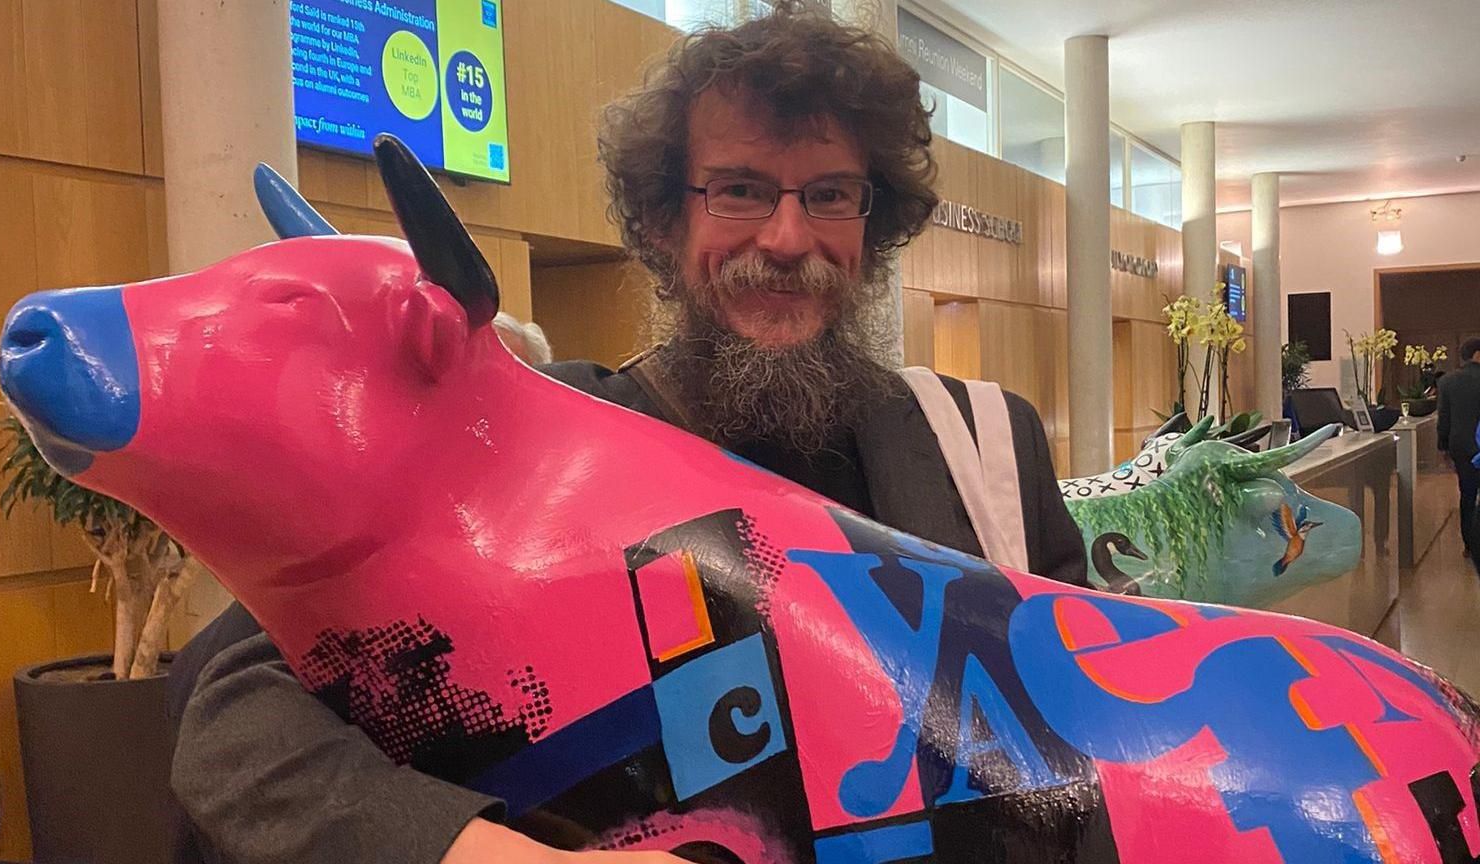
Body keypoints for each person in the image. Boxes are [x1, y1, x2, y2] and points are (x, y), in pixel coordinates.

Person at [167, 3, 1088, 862]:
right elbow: (239, 719)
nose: (787, 235)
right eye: (738, 190)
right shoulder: (530, 446)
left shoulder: (987, 449)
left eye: (832, 194)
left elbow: (1104, 751)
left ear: (872, 222)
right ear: (660, 219)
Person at [1437, 337, 1480, 575]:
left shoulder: (1448, 381)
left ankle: (1469, 545)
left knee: (1467, 495)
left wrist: (1443, 446)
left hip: (1462, 447)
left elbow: (1444, 418)